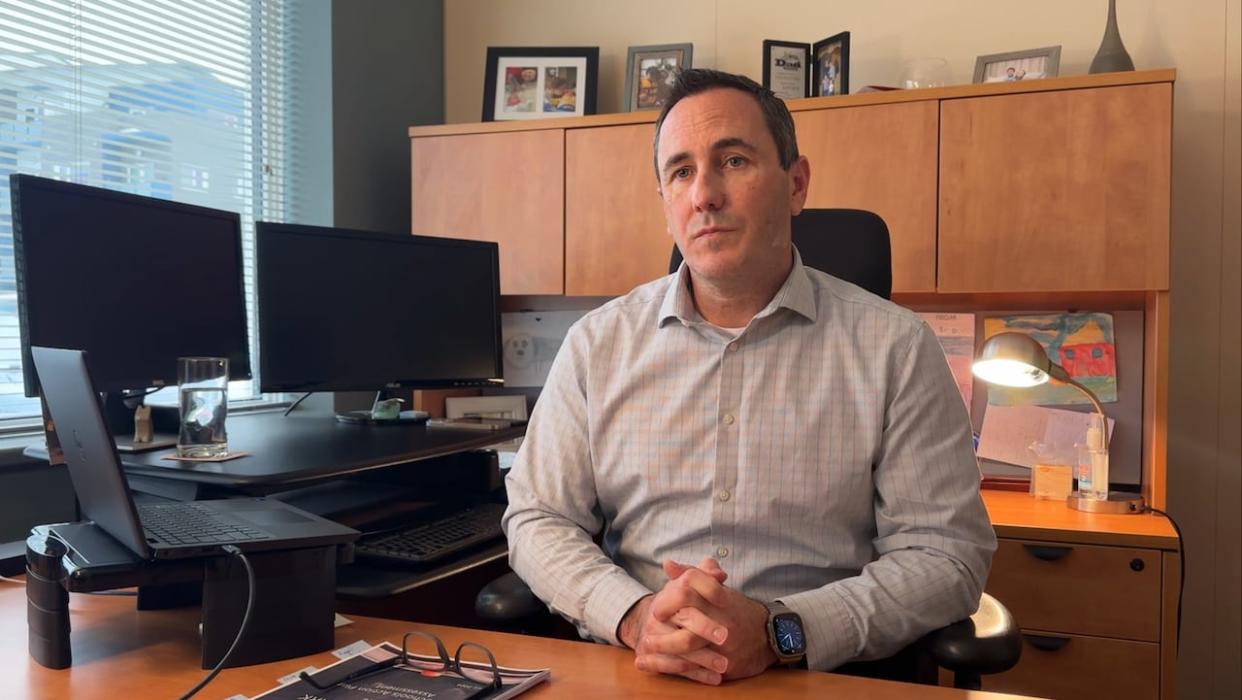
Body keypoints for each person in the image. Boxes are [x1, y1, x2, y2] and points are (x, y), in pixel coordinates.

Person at [502, 68, 995, 686]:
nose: (704, 194)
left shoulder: (895, 348)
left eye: (732, 161)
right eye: (680, 172)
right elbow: (538, 517)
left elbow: (946, 555)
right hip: (637, 668)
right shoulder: (597, 345)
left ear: (796, 184)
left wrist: (779, 632)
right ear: (666, 203)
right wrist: (632, 616)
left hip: (817, 677)